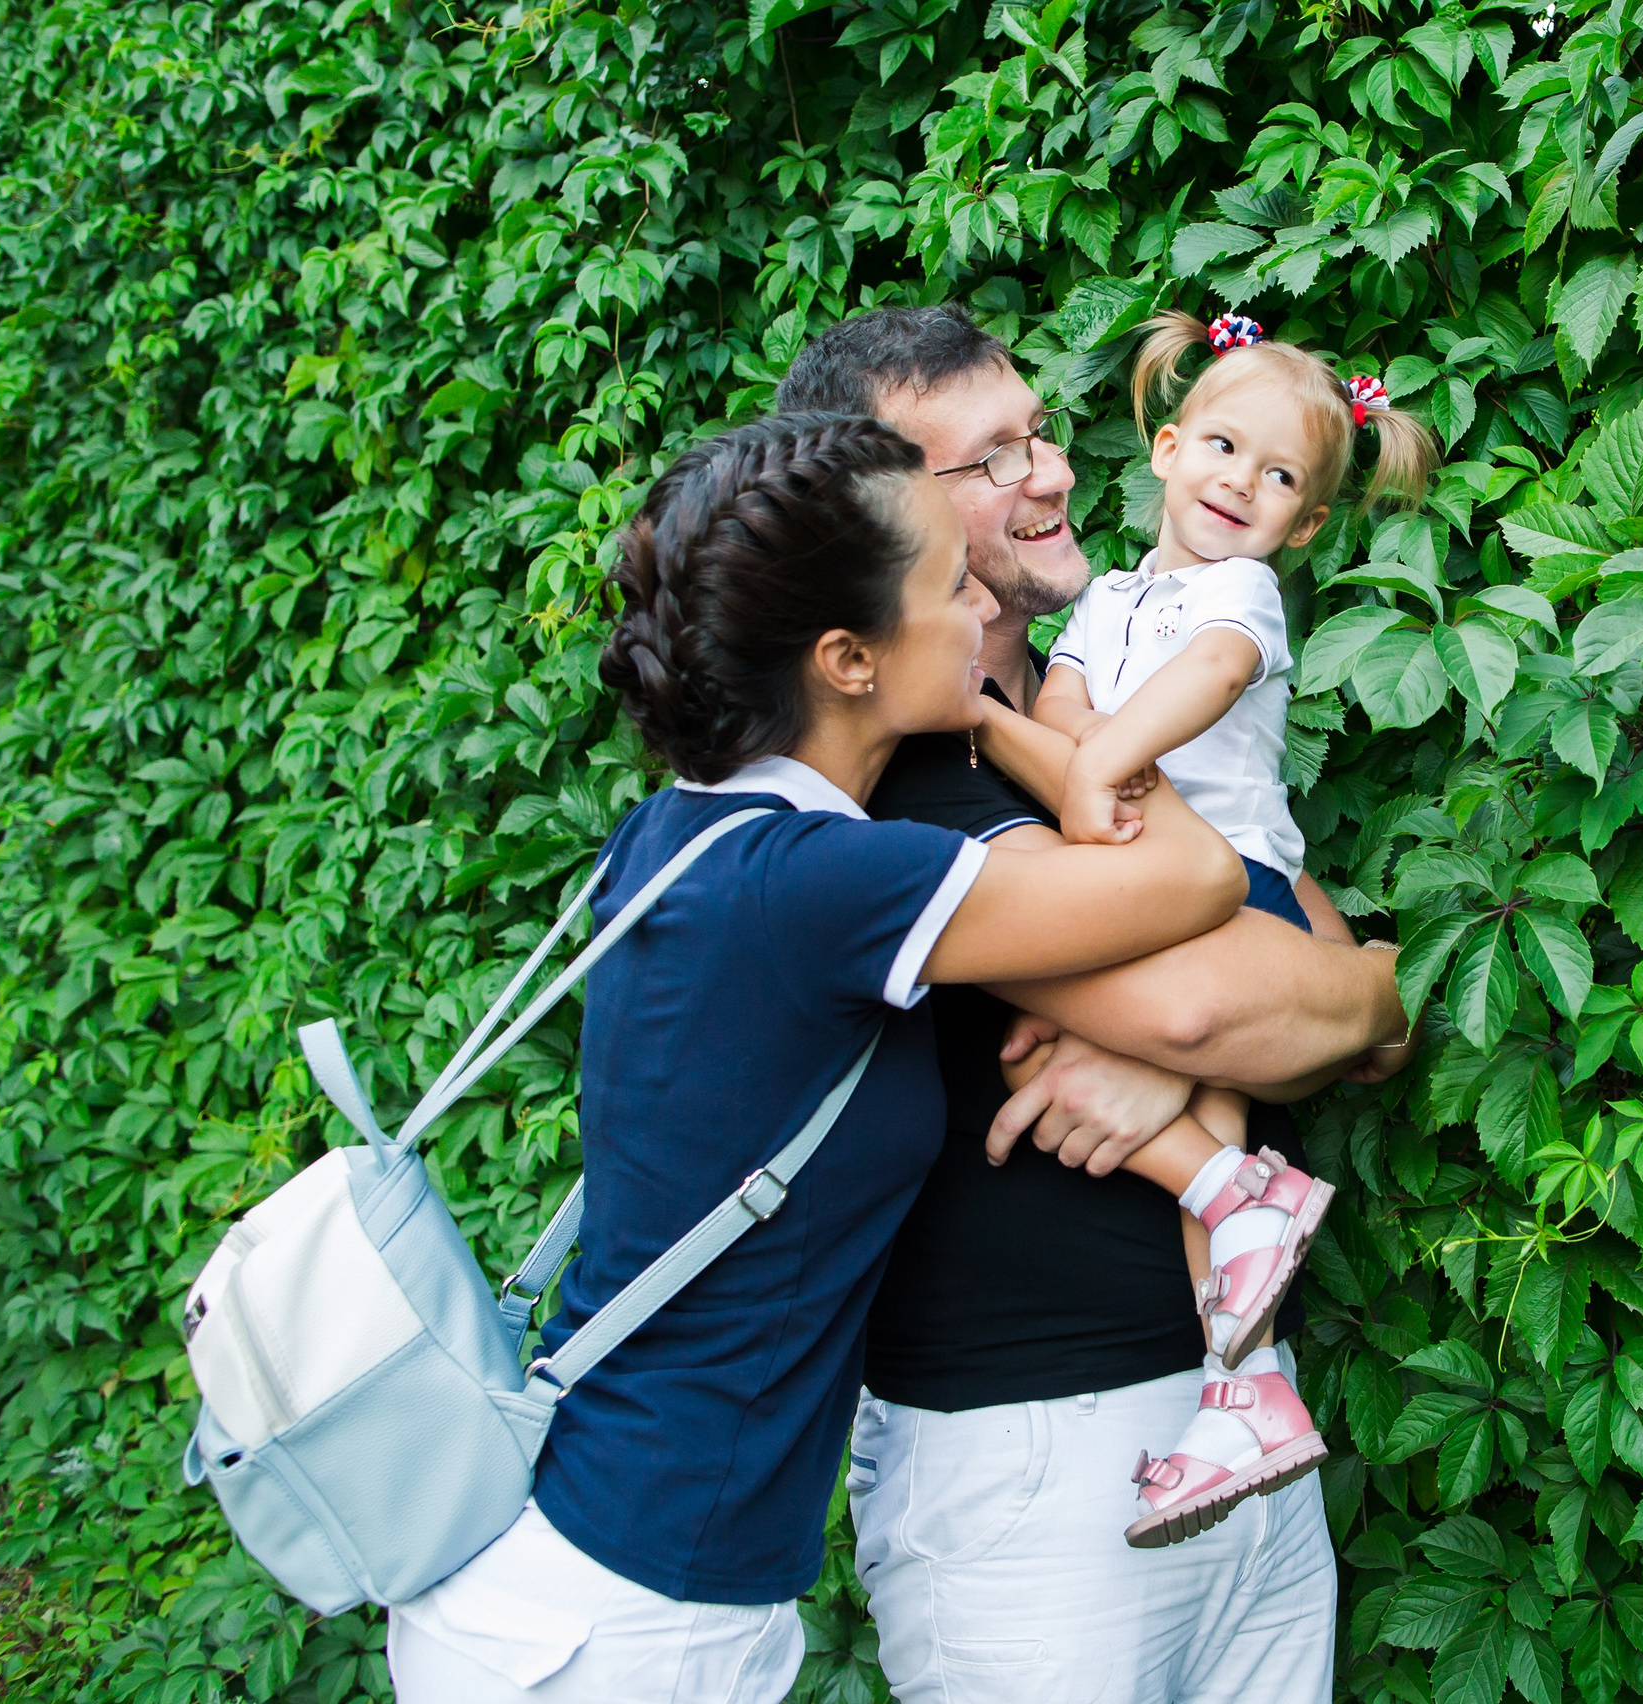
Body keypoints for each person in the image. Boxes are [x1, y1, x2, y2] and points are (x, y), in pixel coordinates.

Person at [385, 412, 1259, 1702]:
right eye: (948, 587)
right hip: (629, 1623)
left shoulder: (682, 835)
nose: (982, 609)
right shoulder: (821, 884)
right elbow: (1197, 875)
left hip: (611, 1569)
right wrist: (1078, 731)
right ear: (850, 658)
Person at [774, 308, 1411, 1701]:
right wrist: (1237, 1025)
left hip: (1240, 1423)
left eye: (1039, 433)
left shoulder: (1092, 718)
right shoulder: (898, 778)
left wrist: (1328, 1000)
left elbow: (1349, 1007)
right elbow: (1212, 1006)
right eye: (993, 459)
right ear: (883, 517)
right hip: (1035, 1470)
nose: (1055, 475)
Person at [1028, 308, 1439, 1544]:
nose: (1238, 485)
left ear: (1303, 525)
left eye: (1277, 479)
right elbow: (1056, 701)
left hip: (1230, 883)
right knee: (1221, 1196)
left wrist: (1096, 762)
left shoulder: (1243, 594)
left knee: (1209, 1132)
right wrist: (1070, 753)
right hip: (1136, 878)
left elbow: (1203, 680)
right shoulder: (1106, 596)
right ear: (1160, 448)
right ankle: (1240, 1390)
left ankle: (1235, 1340)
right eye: (1219, 448)